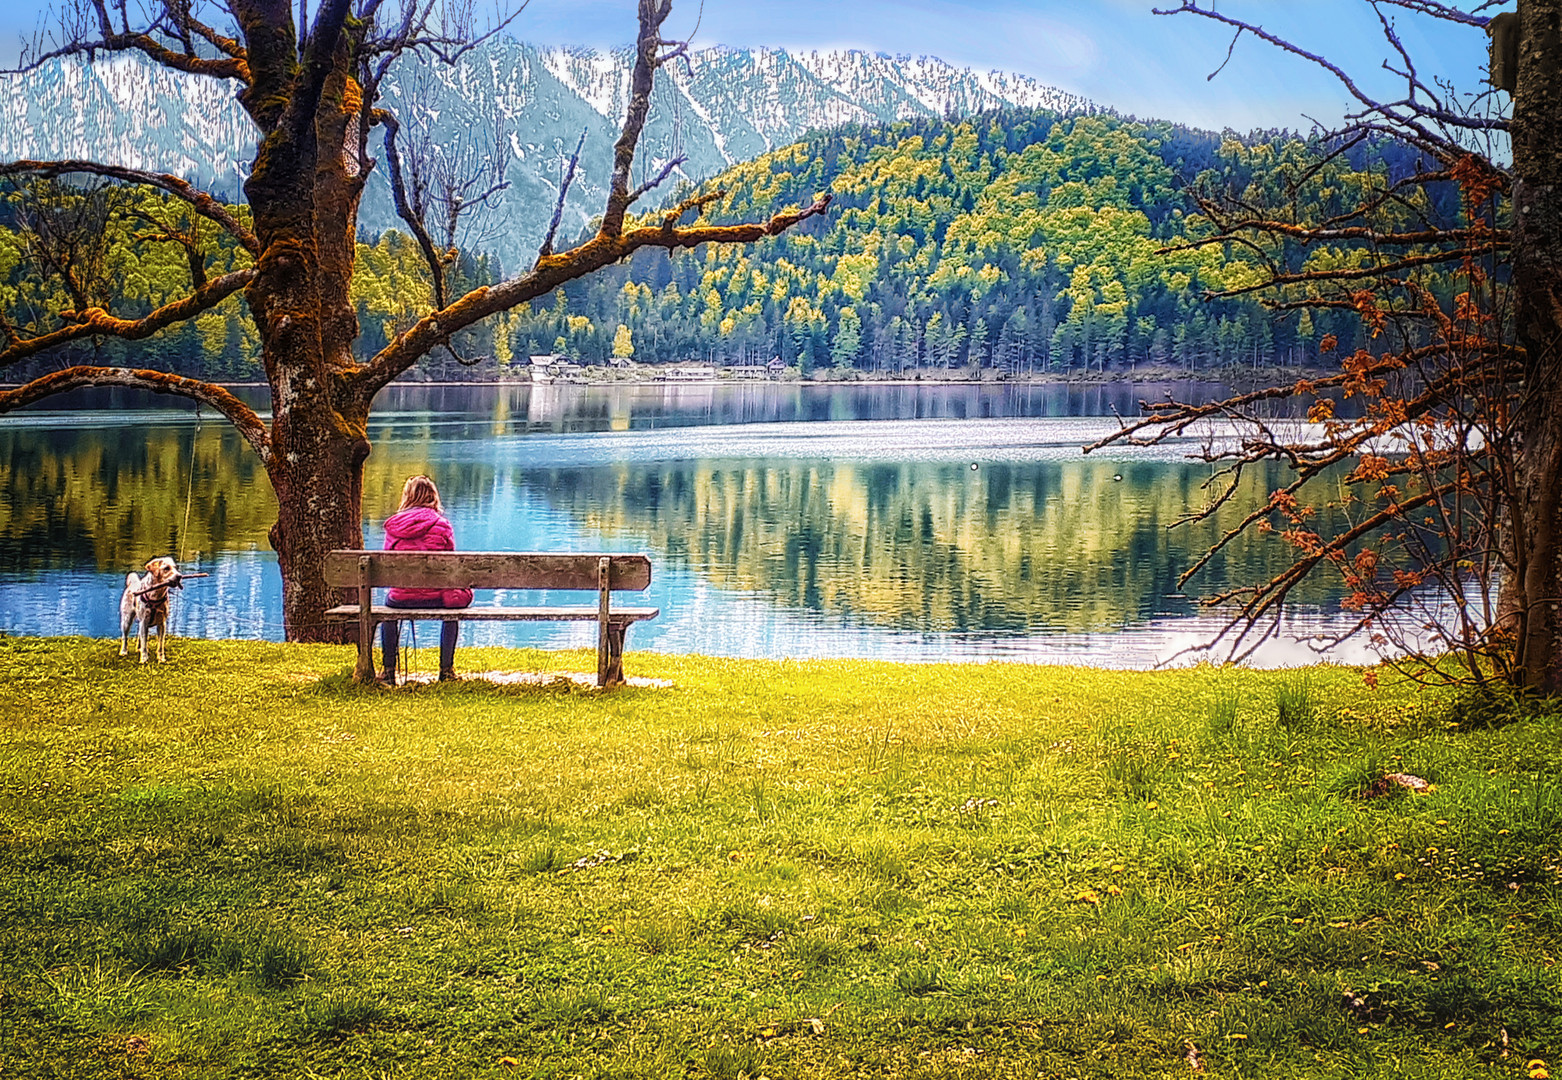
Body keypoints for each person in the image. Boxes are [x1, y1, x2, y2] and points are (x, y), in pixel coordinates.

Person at [379, 475, 472, 683]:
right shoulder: (442, 525)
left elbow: (387, 561)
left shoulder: (393, 527)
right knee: (452, 612)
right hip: (436, 597)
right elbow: (451, 566)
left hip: (400, 598)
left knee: (387, 612)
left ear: (407, 498)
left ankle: (388, 672)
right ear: (433, 497)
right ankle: (446, 671)